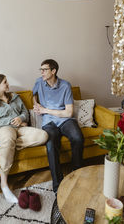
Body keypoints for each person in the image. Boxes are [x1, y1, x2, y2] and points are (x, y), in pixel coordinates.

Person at [0, 74, 48, 204]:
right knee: (8, 138)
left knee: (43, 136)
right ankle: (4, 185)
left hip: (20, 128)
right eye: (5, 82)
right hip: (4, 129)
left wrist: (21, 118)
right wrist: (13, 121)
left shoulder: (15, 97)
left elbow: (25, 112)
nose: (8, 84)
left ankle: (5, 145)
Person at [33, 59, 84, 193]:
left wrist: (45, 110)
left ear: (53, 71)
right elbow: (33, 94)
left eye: (45, 70)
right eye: (41, 69)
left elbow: (69, 112)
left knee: (78, 138)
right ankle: (58, 185)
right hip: (49, 122)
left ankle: (76, 172)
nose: (42, 72)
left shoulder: (65, 86)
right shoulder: (39, 82)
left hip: (65, 119)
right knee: (51, 144)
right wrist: (36, 104)